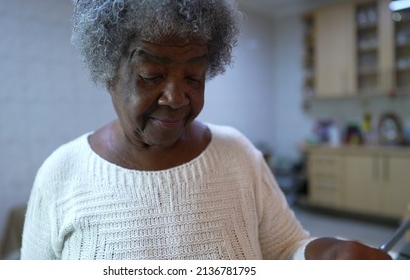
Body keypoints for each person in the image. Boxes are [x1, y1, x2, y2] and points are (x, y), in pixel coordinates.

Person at [20, 0, 391, 260]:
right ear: (107, 73)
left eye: (194, 77)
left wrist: (326, 253)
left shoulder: (239, 154)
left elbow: (284, 249)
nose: (176, 97)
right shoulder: (61, 174)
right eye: (150, 76)